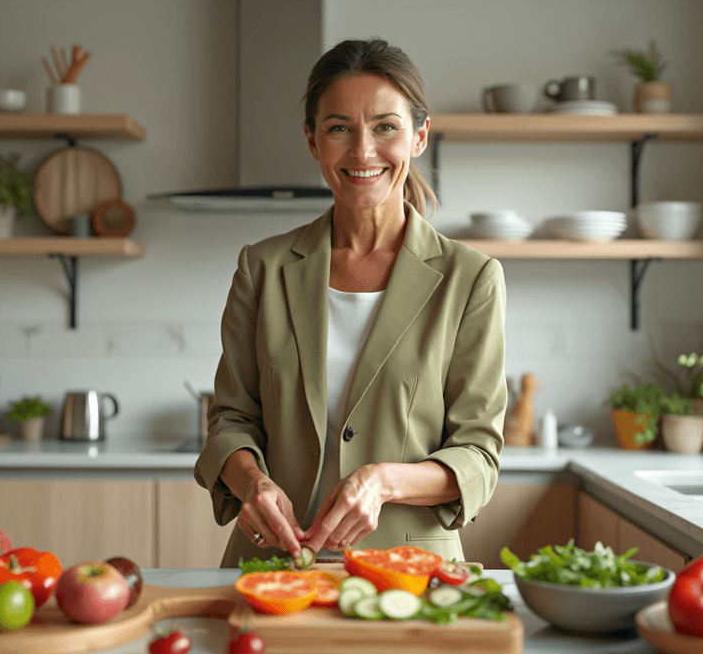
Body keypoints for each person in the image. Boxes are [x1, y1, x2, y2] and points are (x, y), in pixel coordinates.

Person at [193, 38, 507, 568]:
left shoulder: (470, 278)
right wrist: (252, 484)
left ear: (419, 137)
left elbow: (478, 456)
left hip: (411, 572)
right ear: (313, 141)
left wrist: (384, 482)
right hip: (273, 562)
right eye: (339, 127)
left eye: (386, 126)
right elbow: (230, 421)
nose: (363, 151)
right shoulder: (262, 268)